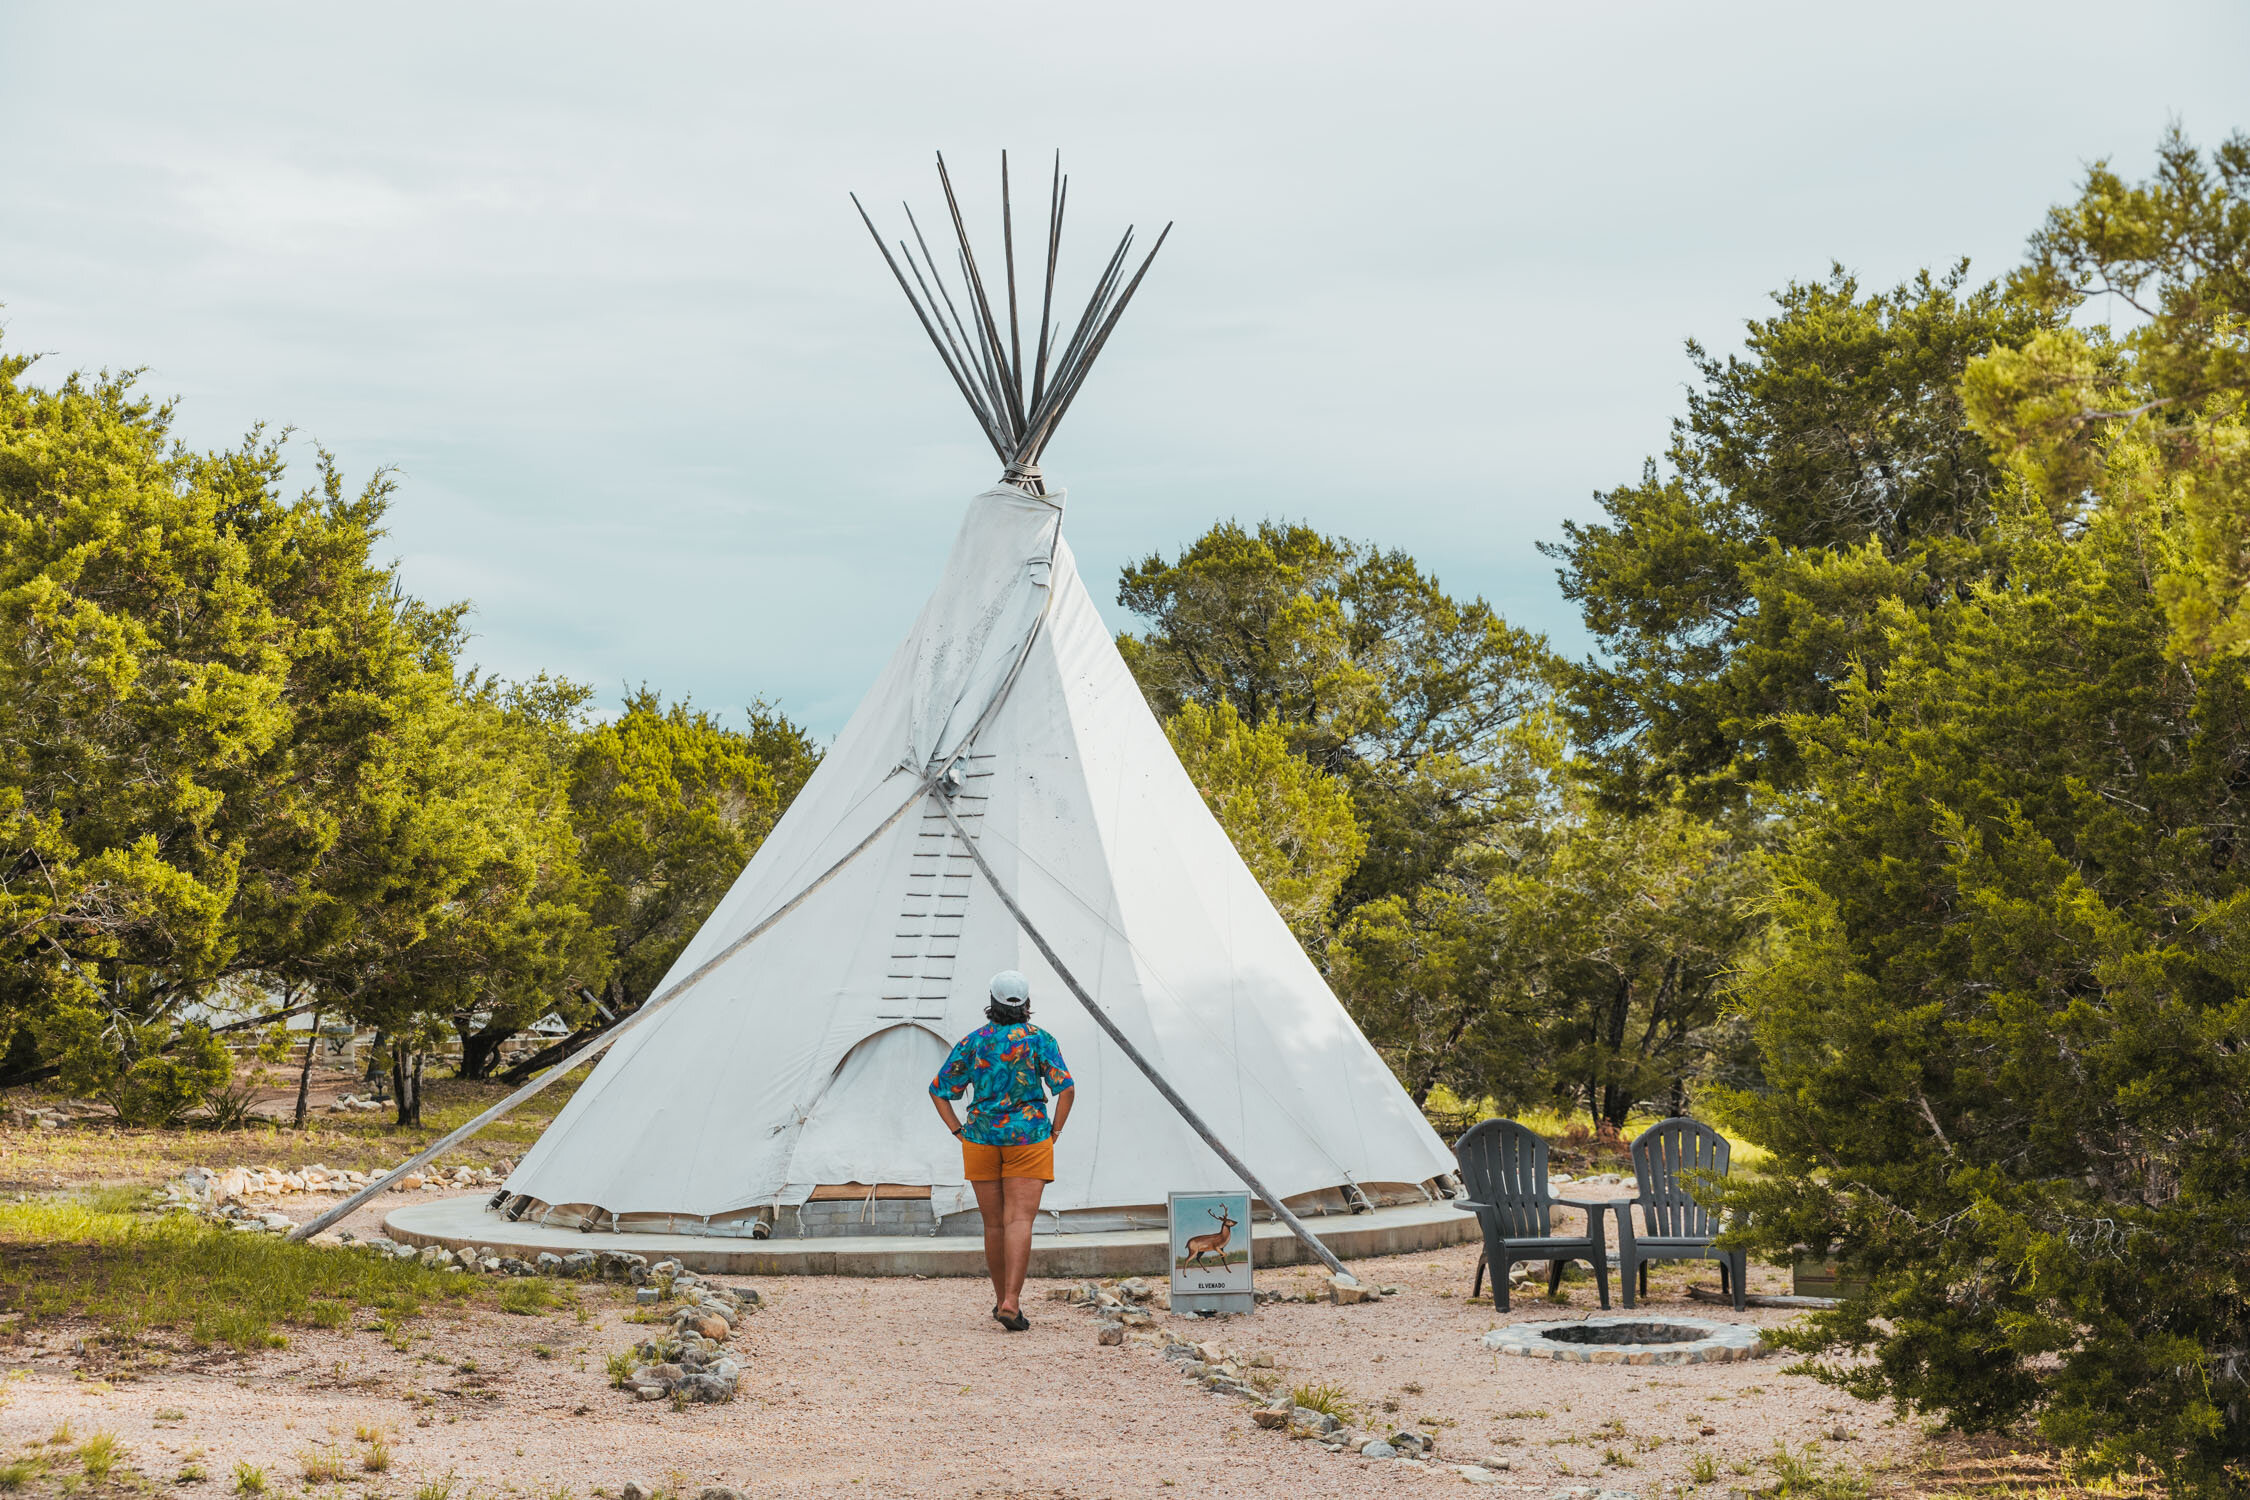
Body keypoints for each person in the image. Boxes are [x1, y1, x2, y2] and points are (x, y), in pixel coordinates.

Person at [929, 970, 1075, 1330]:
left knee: (993, 1224)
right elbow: (1066, 1089)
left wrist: (958, 1131)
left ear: (991, 1001)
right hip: (1029, 1137)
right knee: (1019, 1220)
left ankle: (999, 1302)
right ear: (1026, 1004)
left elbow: (939, 1090)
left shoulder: (974, 1042)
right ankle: (1013, 1299)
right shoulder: (1040, 1040)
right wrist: (1055, 1130)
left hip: (980, 1138)